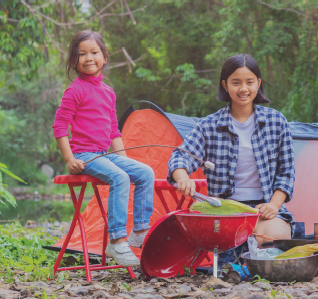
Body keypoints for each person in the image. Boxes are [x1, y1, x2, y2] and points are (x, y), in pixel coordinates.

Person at [168, 54, 295, 247]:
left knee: (273, 241)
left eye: (250, 82)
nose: (243, 89)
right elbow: (181, 156)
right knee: (234, 249)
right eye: (236, 83)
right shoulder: (208, 125)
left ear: (258, 84)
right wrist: (183, 178)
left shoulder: (277, 122)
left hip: (264, 208)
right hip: (223, 212)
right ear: (225, 85)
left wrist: (274, 205)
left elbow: (286, 172)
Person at [52, 30, 154, 267]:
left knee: (145, 172)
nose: (89, 58)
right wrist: (69, 159)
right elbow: (59, 126)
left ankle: (139, 231)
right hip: (84, 156)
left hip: (105, 154)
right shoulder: (75, 90)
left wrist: (125, 160)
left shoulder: (108, 92)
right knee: (119, 177)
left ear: (105, 57)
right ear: (74, 61)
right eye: (82, 54)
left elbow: (113, 131)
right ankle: (117, 241)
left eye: (94, 52)